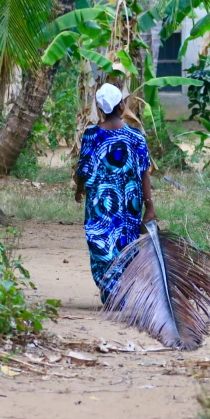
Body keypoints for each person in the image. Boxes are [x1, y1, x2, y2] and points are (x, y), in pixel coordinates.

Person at [75, 83, 156, 301]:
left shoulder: (91, 134)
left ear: (101, 109)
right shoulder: (135, 136)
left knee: (100, 243)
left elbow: (83, 169)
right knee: (125, 244)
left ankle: (111, 289)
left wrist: (79, 190)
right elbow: (144, 173)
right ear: (121, 104)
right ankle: (119, 290)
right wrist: (150, 207)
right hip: (129, 204)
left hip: (99, 204)